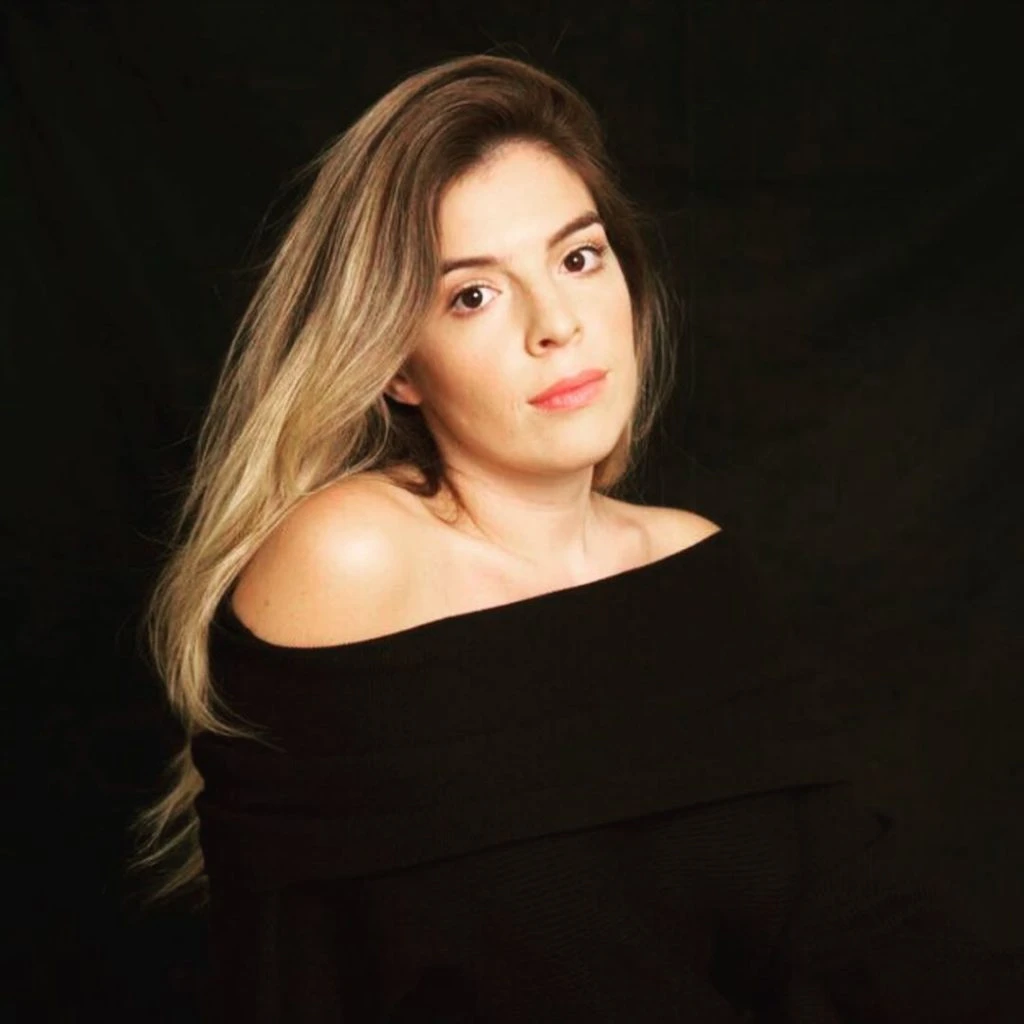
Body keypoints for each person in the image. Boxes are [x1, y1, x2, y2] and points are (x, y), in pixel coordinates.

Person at [129, 53, 1023, 1022]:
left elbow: (847, 921)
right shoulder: (350, 558)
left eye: (578, 257)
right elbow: (304, 976)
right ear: (397, 366)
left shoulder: (691, 568)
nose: (556, 324)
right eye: (473, 294)